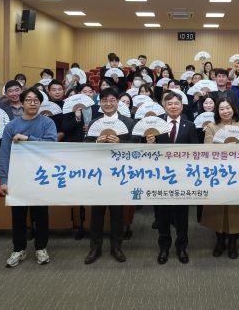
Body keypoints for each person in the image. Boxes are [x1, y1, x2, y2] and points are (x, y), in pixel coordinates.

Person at [0, 87, 57, 268]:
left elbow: (51, 145)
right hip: (18, 177)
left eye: (36, 100)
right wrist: (4, 180)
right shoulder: (11, 126)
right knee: (18, 216)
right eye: (29, 100)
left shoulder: (47, 122)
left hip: (41, 176)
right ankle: (19, 249)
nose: (32, 103)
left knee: (41, 215)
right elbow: (4, 154)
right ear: (22, 103)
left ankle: (41, 248)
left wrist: (28, 139)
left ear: (40, 103)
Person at [83, 88, 137, 264]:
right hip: (99, 173)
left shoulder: (128, 122)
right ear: (100, 103)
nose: (108, 103)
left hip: (119, 173)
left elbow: (137, 146)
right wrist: (96, 141)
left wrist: (121, 142)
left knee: (117, 213)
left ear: (118, 102)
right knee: (97, 213)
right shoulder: (94, 122)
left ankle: (117, 247)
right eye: (104, 100)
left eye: (112, 100)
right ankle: (95, 247)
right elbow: (85, 145)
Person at [145, 91, 198, 264]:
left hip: (182, 178)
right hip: (160, 177)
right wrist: (149, 144)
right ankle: (164, 247)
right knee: (162, 216)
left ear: (182, 106)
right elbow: (144, 153)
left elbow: (195, 151)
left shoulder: (190, 125)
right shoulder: (155, 124)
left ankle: (182, 247)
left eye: (176, 103)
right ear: (164, 106)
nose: (173, 106)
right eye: (170, 104)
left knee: (182, 216)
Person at [201, 98, 239, 259]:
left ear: (233, 109)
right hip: (218, 173)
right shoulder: (212, 127)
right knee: (218, 209)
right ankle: (220, 240)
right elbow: (207, 150)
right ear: (217, 111)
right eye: (221, 108)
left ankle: (233, 242)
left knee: (237, 209)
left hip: (238, 173)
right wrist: (224, 148)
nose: (225, 111)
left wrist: (238, 149)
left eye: (228, 108)